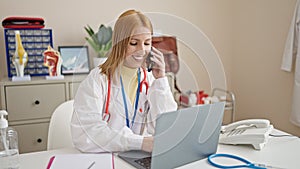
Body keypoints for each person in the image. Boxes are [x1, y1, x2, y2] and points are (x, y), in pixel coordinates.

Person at [70, 9, 178, 153]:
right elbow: (86, 135)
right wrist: (139, 143)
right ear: (119, 43)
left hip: (137, 159)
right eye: (134, 43)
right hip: (105, 158)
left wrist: (161, 81)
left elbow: (165, 129)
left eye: (147, 43)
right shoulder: (98, 80)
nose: (141, 50)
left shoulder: (151, 79)